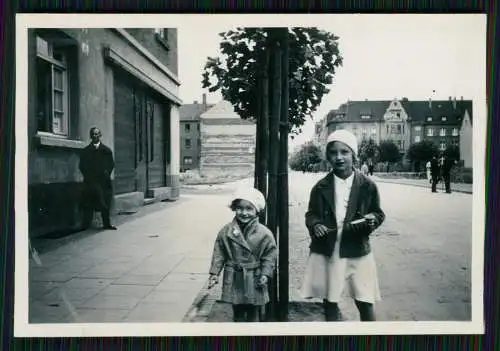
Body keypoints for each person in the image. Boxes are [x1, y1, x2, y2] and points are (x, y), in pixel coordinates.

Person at [301, 129, 385, 322]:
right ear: (328, 156)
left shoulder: (367, 186)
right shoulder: (321, 187)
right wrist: (315, 225)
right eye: (333, 152)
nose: (339, 157)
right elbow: (311, 213)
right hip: (330, 249)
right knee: (330, 299)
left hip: (357, 249)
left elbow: (378, 213)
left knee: (365, 299)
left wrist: (372, 219)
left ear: (353, 155)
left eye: (344, 152)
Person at [207, 187, 278, 322]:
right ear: (234, 209)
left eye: (249, 209)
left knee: (253, 311)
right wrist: (214, 273)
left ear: (257, 210)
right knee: (237, 311)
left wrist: (265, 273)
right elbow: (219, 253)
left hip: (254, 276)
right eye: (239, 208)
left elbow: (270, 255)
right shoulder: (226, 231)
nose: (244, 213)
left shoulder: (264, 233)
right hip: (235, 276)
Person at [79, 127, 117, 230]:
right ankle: (85, 224)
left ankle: (106, 224)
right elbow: (81, 166)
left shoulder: (106, 151)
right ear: (91, 136)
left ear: (100, 135)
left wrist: (106, 173)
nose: (95, 136)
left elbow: (111, 164)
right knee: (88, 203)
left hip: (103, 182)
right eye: (93, 134)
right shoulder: (86, 151)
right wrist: (87, 176)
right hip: (90, 181)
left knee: (105, 203)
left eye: (97, 134)